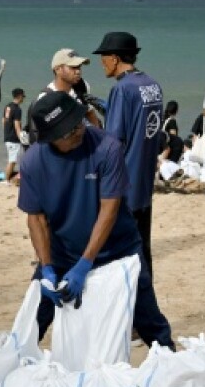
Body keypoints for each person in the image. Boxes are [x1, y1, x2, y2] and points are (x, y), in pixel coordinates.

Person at [18, 91, 173, 350]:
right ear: (52, 139)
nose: (79, 131)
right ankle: (16, 365)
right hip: (63, 251)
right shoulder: (34, 161)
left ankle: (172, 364)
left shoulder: (107, 147)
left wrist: (85, 264)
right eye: (69, 131)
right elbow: (35, 219)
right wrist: (46, 268)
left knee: (148, 318)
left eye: (79, 123)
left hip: (118, 249)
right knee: (35, 316)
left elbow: (109, 210)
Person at [94, 31, 163, 276]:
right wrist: (105, 106)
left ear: (114, 58)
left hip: (124, 183)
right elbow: (144, 125)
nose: (102, 62)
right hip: (144, 182)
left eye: (104, 56)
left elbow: (114, 142)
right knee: (143, 247)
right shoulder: (152, 86)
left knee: (123, 253)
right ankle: (147, 303)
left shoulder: (122, 89)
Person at [2, 88, 26, 183]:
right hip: (13, 139)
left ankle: (8, 179)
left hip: (7, 137)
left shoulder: (8, 107)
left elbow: (4, 121)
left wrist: (6, 132)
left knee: (12, 159)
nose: (23, 98)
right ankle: (6, 180)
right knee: (12, 160)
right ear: (19, 96)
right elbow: (17, 125)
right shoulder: (17, 109)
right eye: (23, 96)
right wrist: (21, 137)